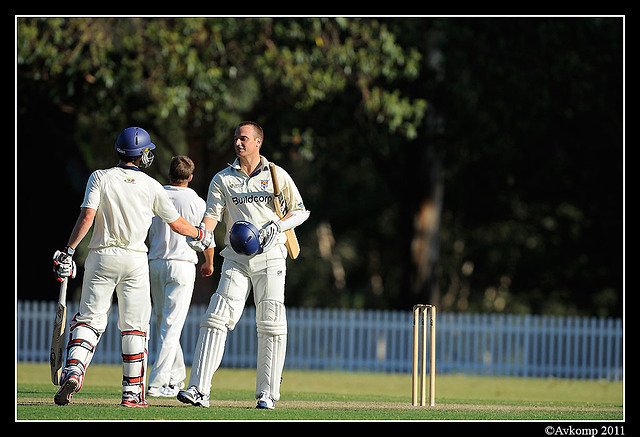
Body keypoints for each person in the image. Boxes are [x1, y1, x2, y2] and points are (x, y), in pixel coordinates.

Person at [52, 127, 213, 408]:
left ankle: (75, 372)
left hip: (101, 256)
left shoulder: (100, 177)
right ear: (144, 155)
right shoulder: (151, 185)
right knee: (135, 328)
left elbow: (87, 216)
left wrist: (68, 251)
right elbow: (176, 223)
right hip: (136, 260)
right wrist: (200, 234)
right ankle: (132, 394)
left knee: (90, 320)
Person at [177, 121, 310, 410]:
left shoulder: (277, 175)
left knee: (271, 323)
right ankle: (199, 389)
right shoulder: (223, 178)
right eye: (236, 138)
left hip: (271, 256)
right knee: (215, 317)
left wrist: (278, 225)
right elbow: (212, 215)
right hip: (236, 257)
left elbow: (301, 211)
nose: (238, 143)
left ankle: (267, 393)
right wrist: (203, 235)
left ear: (258, 142)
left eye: (244, 139)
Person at [147, 156, 207, 398]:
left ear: (169, 173)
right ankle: (156, 383)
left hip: (155, 263)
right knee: (170, 327)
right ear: (190, 177)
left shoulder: (155, 194)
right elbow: (206, 234)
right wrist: (209, 261)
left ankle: (176, 378)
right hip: (182, 265)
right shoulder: (197, 201)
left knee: (165, 324)